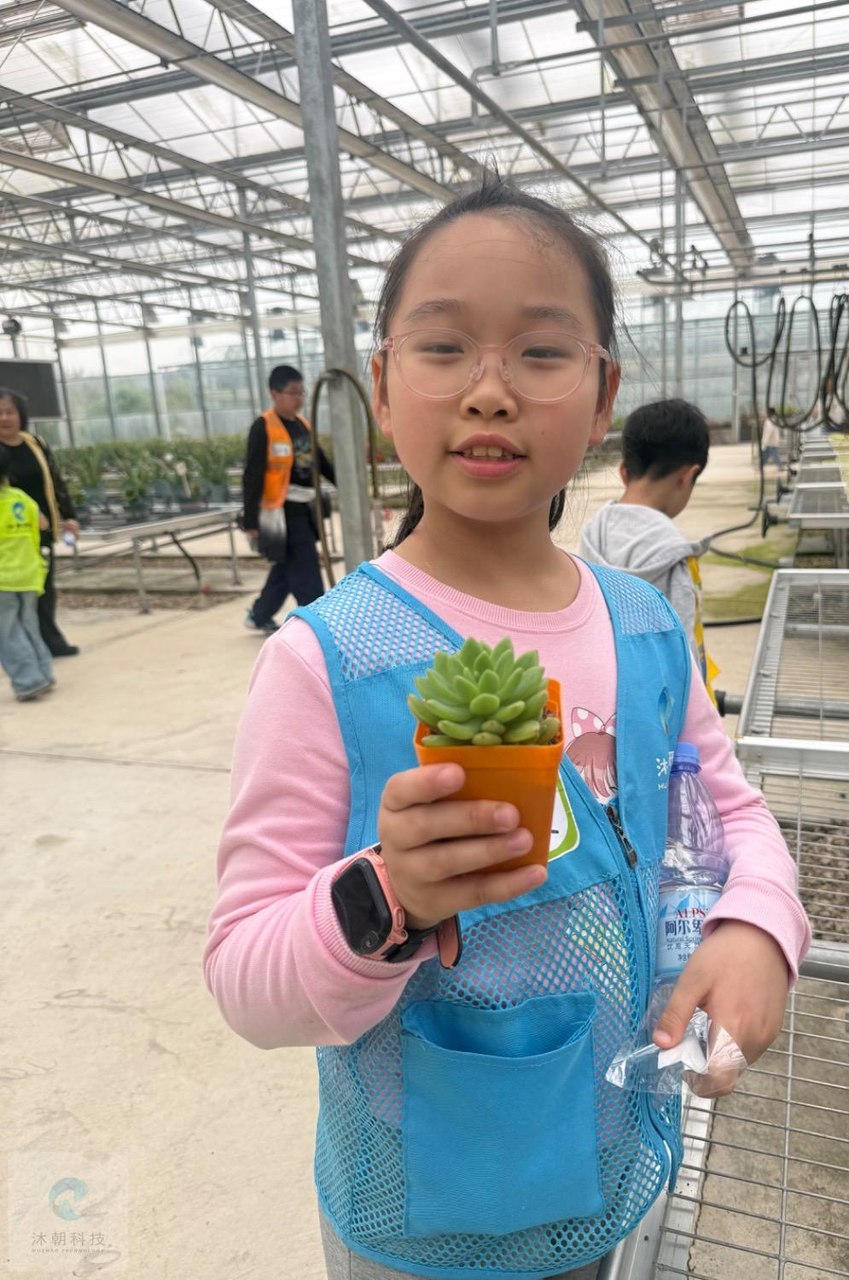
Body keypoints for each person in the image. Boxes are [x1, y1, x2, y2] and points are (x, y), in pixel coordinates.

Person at [204, 174, 810, 1280]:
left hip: (617, 1158)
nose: (489, 392)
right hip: (426, 1217)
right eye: (442, 349)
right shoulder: (328, 660)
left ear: (602, 393)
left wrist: (759, 926)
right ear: (383, 388)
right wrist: (386, 895)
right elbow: (246, 976)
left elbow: (728, 808)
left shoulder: (643, 623)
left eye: (540, 352)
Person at [579, 399, 717, 692]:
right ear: (687, 477)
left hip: (603, 694)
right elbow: (682, 657)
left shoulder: (593, 533)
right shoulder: (673, 556)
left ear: (623, 472)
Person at [241, 364, 336, 634]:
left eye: (301, 392)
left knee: (286, 566)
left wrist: (350, 487)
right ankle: (317, 623)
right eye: (292, 393)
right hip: (282, 512)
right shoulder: (264, 427)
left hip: (305, 509)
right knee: (305, 568)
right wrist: (250, 520)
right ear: (275, 393)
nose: (298, 398)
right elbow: (252, 474)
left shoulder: (303, 425)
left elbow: (321, 463)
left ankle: (259, 615)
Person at [0, 388, 80, 656]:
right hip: (9, 534)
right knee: (13, 592)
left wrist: (69, 516)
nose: (4, 418)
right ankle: (23, 647)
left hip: (40, 529)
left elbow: (55, 481)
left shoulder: (35, 443)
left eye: (9, 412)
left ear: (20, 415)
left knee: (44, 585)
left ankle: (49, 641)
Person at [0, 444, 54, 701]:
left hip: (3, 580)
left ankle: (28, 681)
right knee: (30, 626)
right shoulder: (20, 497)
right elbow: (43, 523)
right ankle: (44, 673)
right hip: (30, 574)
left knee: (8, 632)